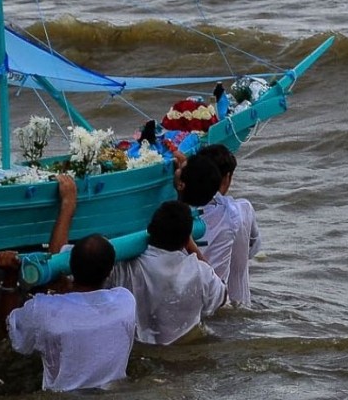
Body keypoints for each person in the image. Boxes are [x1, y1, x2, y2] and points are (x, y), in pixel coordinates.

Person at [0, 174, 137, 391]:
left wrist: (9, 277)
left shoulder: (44, 310)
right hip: (111, 399)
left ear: (69, 265)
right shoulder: (126, 302)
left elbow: (8, 328)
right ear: (109, 271)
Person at [108, 196, 226, 346]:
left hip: (139, 347)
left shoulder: (127, 266)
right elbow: (222, 296)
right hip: (186, 347)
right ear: (186, 240)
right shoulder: (200, 272)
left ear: (150, 230)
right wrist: (192, 248)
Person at [192, 144, 260, 306]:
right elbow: (253, 249)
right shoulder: (243, 209)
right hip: (239, 302)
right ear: (227, 177)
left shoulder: (185, 214)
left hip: (197, 304)